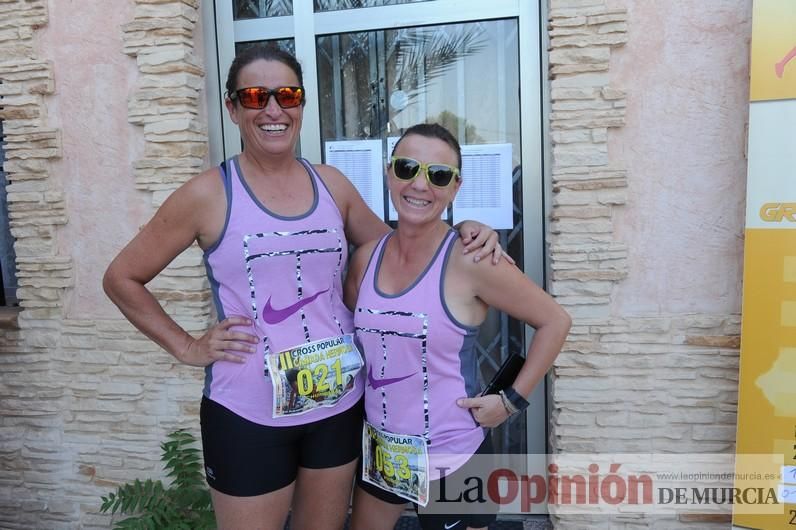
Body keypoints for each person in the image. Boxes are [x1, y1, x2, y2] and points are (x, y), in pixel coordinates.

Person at [102, 45, 505, 530]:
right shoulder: (206, 194)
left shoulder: (332, 186)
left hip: (336, 408)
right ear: (233, 108)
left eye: (287, 95)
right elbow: (122, 278)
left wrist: (467, 230)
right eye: (255, 96)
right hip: (247, 413)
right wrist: (187, 346)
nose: (273, 108)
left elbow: (402, 253)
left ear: (300, 105)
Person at [344, 123, 572, 530]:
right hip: (385, 451)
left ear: (455, 188)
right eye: (407, 167)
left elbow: (555, 321)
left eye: (439, 175)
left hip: (454, 453)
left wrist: (511, 401)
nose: (420, 184)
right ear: (388, 172)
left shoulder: (473, 260)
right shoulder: (365, 259)